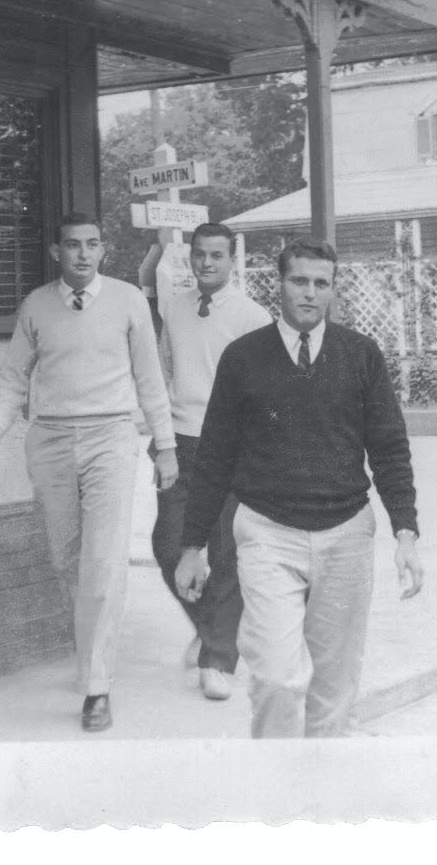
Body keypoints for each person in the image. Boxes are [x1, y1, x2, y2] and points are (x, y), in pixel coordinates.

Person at [175, 237, 424, 738]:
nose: (309, 293)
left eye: (321, 283)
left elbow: (390, 448)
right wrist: (193, 545)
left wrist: (405, 533)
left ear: (333, 289)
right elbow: (215, 457)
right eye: (299, 281)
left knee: (334, 691)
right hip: (268, 534)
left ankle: (318, 800)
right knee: (276, 679)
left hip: (346, 535)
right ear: (279, 284)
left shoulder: (361, 355)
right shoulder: (243, 357)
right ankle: (276, 797)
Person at [0, 213, 178, 733]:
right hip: (51, 440)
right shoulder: (36, 306)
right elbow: (13, 378)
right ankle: (93, 649)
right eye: (72, 245)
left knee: (104, 559)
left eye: (92, 245)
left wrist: (166, 445)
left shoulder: (130, 300)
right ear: (56, 252)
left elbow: (150, 379)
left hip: (110, 436)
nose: (83, 254)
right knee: (67, 557)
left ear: (104, 250)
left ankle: (97, 686)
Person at [154, 223, 272, 702]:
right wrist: (161, 440)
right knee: (169, 544)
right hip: (180, 443)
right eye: (199, 255)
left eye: (216, 256)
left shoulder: (251, 316)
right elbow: (161, 372)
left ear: (231, 259)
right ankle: (211, 628)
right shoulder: (174, 309)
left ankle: (218, 660)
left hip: (231, 447)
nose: (206, 263)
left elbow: (264, 390)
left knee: (226, 552)